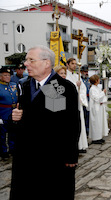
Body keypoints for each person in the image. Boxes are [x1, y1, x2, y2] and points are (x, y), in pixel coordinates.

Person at [10, 45, 80, 200]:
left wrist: (70, 155)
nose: (26, 64)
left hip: (50, 160)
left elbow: (66, 123)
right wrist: (15, 118)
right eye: (26, 60)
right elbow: (27, 119)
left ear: (46, 63)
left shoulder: (57, 86)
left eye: (31, 60)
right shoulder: (26, 86)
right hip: (25, 158)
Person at [66, 58, 88, 153]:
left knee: (80, 123)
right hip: (69, 103)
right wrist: (75, 85)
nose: (74, 65)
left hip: (77, 102)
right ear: (67, 64)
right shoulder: (65, 75)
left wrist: (81, 97)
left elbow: (83, 88)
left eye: (75, 64)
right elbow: (66, 87)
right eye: (72, 63)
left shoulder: (76, 75)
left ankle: (81, 145)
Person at [0, 67, 18, 160]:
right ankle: (3, 152)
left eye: (9, 75)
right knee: (2, 135)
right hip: (2, 113)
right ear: (0, 76)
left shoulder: (14, 85)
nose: (8, 77)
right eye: (5, 75)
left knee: (13, 133)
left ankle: (12, 149)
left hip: (13, 112)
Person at [89, 74, 108, 144]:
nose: (99, 80)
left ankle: (99, 137)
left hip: (99, 108)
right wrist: (103, 92)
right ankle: (95, 138)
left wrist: (103, 100)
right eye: (98, 79)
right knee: (96, 123)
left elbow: (100, 97)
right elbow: (96, 98)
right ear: (96, 80)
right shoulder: (92, 89)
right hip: (95, 108)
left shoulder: (97, 88)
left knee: (99, 123)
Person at [80, 65, 91, 136]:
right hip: (83, 99)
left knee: (88, 115)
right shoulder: (80, 79)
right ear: (81, 72)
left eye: (87, 71)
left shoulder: (89, 79)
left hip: (89, 99)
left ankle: (87, 130)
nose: (86, 73)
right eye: (85, 72)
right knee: (83, 115)